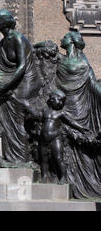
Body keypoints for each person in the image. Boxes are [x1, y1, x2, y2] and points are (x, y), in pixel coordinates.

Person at [0, 9, 42, 163]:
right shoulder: (3, 42)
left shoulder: (18, 39)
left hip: (26, 81)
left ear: (5, 22)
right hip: (13, 78)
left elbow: (21, 67)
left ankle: (20, 157)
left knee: (15, 111)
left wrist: (4, 86)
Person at [54, 31, 101, 198]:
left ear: (72, 42)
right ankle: (67, 179)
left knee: (81, 147)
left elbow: (93, 85)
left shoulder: (82, 62)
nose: (61, 38)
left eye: (65, 37)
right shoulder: (59, 58)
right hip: (61, 105)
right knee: (64, 146)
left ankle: (87, 181)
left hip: (79, 108)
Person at [18, 89, 90, 183]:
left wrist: (82, 129)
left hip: (55, 138)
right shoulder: (44, 111)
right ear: (52, 99)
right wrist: (29, 111)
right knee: (43, 160)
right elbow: (36, 117)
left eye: (62, 102)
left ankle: (63, 177)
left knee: (58, 158)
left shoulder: (61, 113)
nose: (60, 103)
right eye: (59, 100)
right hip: (43, 140)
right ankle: (44, 177)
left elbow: (72, 122)